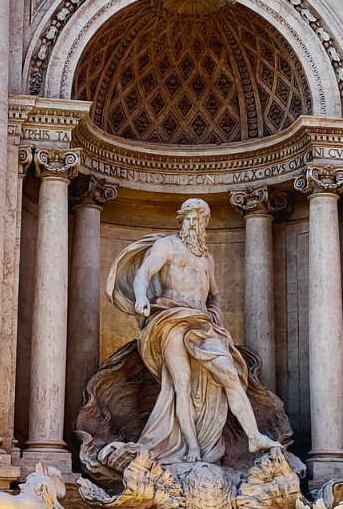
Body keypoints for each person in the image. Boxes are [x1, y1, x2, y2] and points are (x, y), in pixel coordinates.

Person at [107, 196, 276, 466]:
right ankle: (192, 448)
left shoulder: (207, 258)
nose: (194, 224)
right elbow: (144, 272)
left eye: (200, 219)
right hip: (171, 318)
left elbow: (215, 294)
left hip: (202, 323)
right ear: (181, 220)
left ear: (206, 224)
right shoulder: (167, 245)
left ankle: (253, 435)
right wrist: (140, 297)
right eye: (190, 218)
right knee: (181, 384)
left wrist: (214, 314)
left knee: (231, 375)